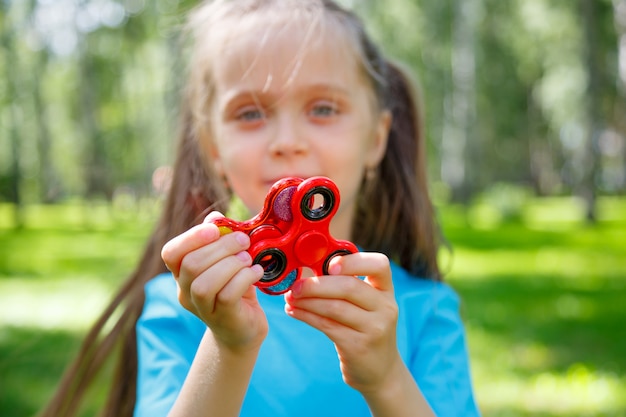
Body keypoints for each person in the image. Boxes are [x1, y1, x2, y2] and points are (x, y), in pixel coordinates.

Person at [39, 0, 481, 416]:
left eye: (323, 108)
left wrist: (387, 380)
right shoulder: (187, 306)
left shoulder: (426, 312)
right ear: (214, 150)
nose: (287, 141)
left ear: (377, 138)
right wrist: (228, 346)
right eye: (250, 114)